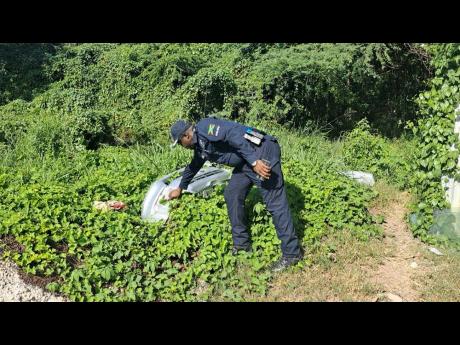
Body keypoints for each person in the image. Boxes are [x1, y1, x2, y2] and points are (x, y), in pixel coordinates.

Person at [168, 117, 303, 272]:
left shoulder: (205, 127)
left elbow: (233, 133)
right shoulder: (200, 145)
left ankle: (292, 254)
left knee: (275, 203)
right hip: (246, 161)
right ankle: (242, 245)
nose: (181, 146)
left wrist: (254, 162)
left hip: (260, 152)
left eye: (179, 142)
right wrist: (180, 188)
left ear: (186, 136)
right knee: (232, 193)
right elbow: (194, 165)